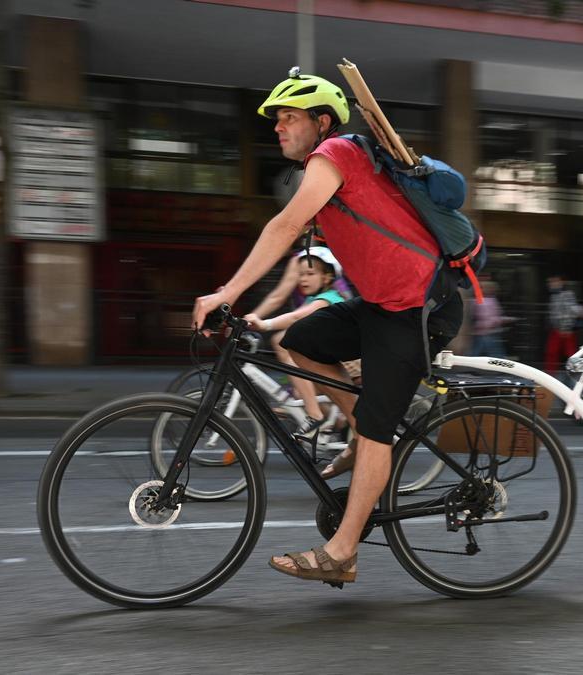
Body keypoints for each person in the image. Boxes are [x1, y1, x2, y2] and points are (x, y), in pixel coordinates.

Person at [192, 68, 463, 587]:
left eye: (289, 118)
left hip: (418, 307)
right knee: (301, 340)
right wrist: (262, 308)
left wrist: (227, 291)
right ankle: (365, 434)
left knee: (377, 428)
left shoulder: (336, 154)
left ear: (321, 122)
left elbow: (284, 225)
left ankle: (343, 552)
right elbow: (295, 248)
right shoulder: (333, 169)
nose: (278, 127)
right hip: (382, 304)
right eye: (276, 120)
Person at [243, 246, 345, 443]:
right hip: (326, 361)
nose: (303, 279)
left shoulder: (326, 300)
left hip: (345, 364)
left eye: (310, 273)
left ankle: (315, 415)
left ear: (327, 278)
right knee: (299, 390)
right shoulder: (312, 299)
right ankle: (335, 423)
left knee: (282, 342)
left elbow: (295, 317)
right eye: (300, 274)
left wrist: (264, 324)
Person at [544, 274, 583, 372]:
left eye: (555, 281)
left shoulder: (566, 294)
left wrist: (566, 329)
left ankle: (576, 373)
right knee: (554, 354)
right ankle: (551, 375)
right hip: (559, 329)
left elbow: (570, 311)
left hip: (564, 330)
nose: (552, 284)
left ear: (561, 282)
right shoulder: (554, 296)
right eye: (550, 282)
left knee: (568, 354)